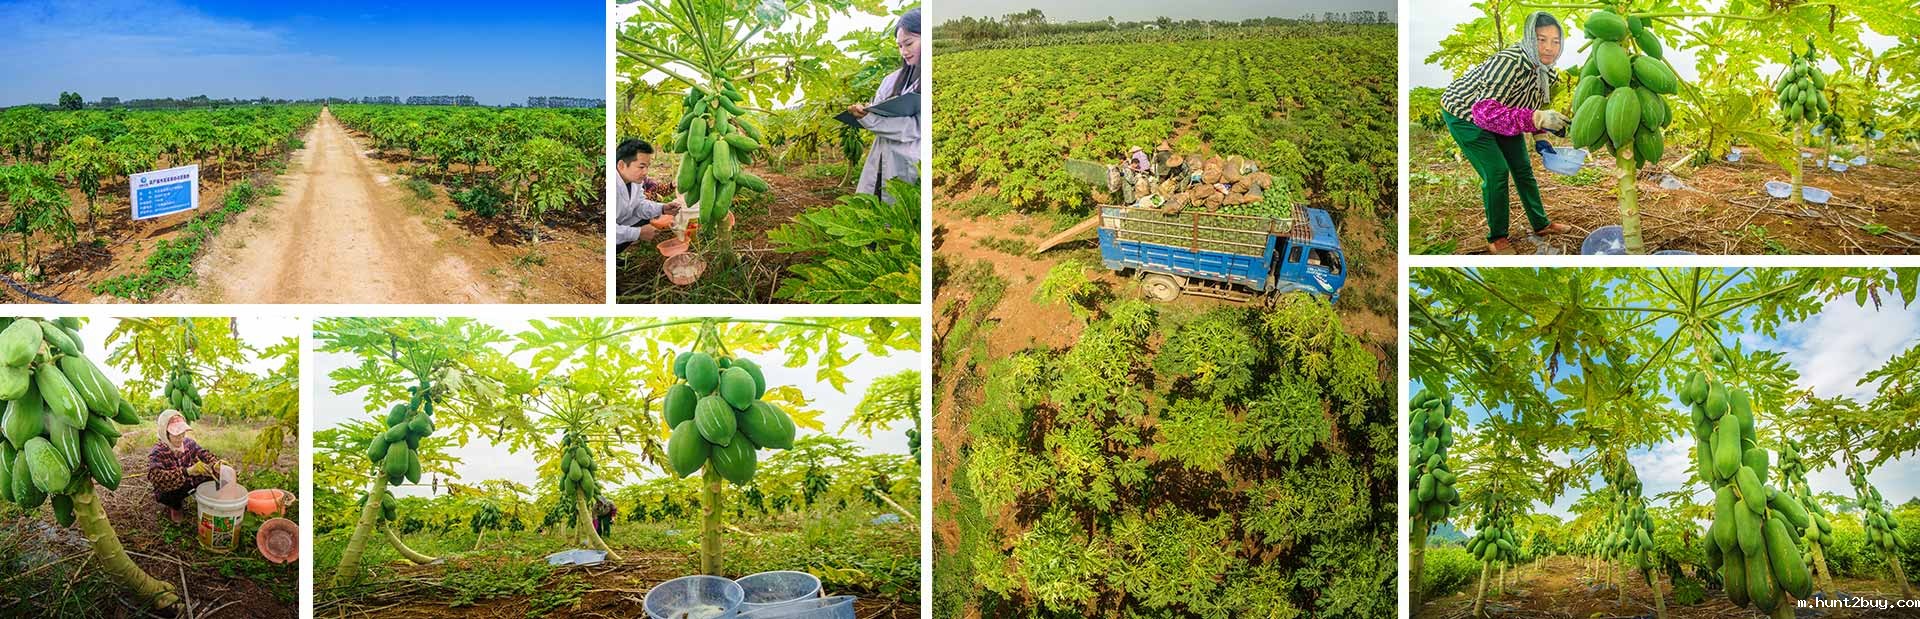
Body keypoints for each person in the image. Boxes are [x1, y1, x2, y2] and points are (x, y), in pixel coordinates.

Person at [1440, 11, 1576, 254]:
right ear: (1529, 39)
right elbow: (1484, 113)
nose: (1548, 48)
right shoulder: (1508, 62)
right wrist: (1535, 118)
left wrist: (1541, 137)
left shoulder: (1547, 74)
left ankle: (1541, 223)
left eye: (1555, 42)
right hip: (1467, 116)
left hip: (1507, 117)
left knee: (1523, 169)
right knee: (1497, 172)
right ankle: (1497, 237)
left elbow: (1535, 108)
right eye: (1541, 40)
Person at [848, 8, 921, 203]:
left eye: (909, 43)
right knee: (875, 207)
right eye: (899, 46)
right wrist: (865, 112)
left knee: (900, 214)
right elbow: (877, 110)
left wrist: (869, 119)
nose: (904, 51)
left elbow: (914, 128)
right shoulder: (891, 80)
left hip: (908, 162)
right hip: (881, 156)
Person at [147, 410, 232, 523]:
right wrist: (187, 471)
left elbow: (203, 454)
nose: (181, 437)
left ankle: (216, 500)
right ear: (164, 433)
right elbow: (156, 477)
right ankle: (175, 507)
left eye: (182, 433)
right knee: (168, 494)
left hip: (190, 481)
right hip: (172, 489)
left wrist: (216, 463)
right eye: (176, 434)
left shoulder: (188, 443)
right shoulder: (158, 451)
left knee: (215, 474)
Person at [613, 138, 681, 248]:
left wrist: (662, 208)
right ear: (621, 165)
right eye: (641, 167)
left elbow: (639, 205)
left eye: (647, 167)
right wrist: (638, 233)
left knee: (645, 218)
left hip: (621, 221)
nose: (645, 172)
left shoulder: (635, 181)